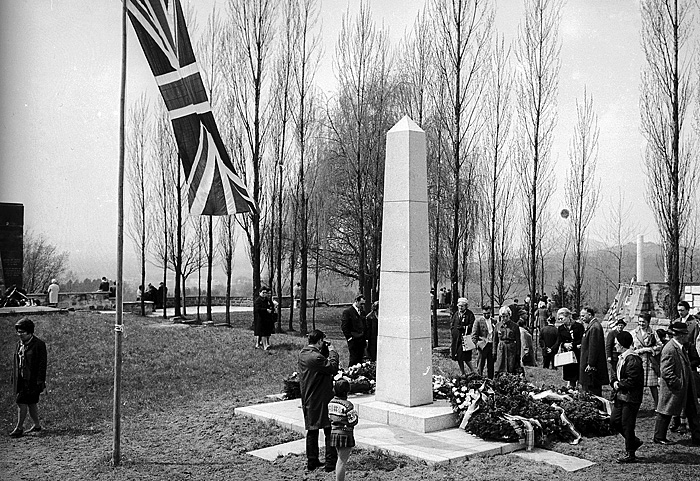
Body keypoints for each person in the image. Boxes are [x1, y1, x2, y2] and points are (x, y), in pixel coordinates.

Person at [653, 321, 700, 445]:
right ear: (679, 335)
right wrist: (678, 383)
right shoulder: (670, 349)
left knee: (693, 410)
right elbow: (666, 372)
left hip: (686, 385)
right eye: (685, 334)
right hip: (673, 388)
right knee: (665, 411)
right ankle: (659, 436)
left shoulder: (680, 347)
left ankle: (697, 437)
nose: (687, 336)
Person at [299, 329, 339, 472]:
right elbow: (332, 368)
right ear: (320, 341)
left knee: (312, 430)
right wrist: (333, 352)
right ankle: (330, 463)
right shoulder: (316, 358)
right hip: (321, 398)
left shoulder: (304, 354)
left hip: (309, 397)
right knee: (329, 429)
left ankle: (312, 461)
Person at [609, 330, 644, 463]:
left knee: (627, 425)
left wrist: (618, 384)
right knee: (614, 421)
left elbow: (632, 380)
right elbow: (615, 375)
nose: (615, 346)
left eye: (617, 343)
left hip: (630, 398)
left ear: (623, 345)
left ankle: (630, 453)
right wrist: (614, 382)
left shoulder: (632, 359)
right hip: (621, 396)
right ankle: (633, 441)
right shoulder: (623, 358)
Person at [10, 318, 47, 438]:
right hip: (21, 378)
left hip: (32, 380)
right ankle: (37, 426)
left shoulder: (39, 345)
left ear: (30, 332)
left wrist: (40, 381)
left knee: (21, 402)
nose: (19, 334)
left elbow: (42, 365)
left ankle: (19, 428)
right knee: (31, 404)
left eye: (22, 332)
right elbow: (17, 362)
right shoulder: (19, 344)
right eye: (18, 332)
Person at [669, 301, 700, 433]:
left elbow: (693, 340)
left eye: (682, 310)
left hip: (688, 353)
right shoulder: (676, 321)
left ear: (687, 310)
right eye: (678, 310)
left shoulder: (693, 324)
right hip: (676, 355)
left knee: (689, 393)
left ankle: (686, 422)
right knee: (676, 392)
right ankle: (676, 420)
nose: (680, 312)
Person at [328, 378, 358, 481]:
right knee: (342, 461)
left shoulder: (331, 403)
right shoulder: (348, 405)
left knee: (339, 458)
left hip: (334, 433)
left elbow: (329, 417)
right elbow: (353, 421)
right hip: (345, 434)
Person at [632, 312, 662, 407]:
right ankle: (636, 405)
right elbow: (630, 348)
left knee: (653, 385)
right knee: (637, 385)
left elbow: (660, 345)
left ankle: (658, 406)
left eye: (643, 322)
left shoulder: (653, 333)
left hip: (650, 362)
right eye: (639, 322)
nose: (641, 324)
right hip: (638, 361)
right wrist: (641, 350)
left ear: (648, 322)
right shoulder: (633, 333)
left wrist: (651, 349)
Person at [579, 306, 609, 396]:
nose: (582, 318)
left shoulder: (595, 327)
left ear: (590, 315)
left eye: (583, 316)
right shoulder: (591, 326)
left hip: (591, 367)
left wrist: (591, 363)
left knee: (592, 390)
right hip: (587, 363)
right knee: (587, 388)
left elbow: (594, 347)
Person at [557, 307, 583, 389]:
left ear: (568, 316)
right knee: (570, 375)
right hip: (567, 355)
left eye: (561, 318)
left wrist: (574, 345)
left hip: (577, 353)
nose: (560, 321)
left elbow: (581, 338)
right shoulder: (561, 328)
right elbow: (559, 340)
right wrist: (564, 344)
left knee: (578, 373)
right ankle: (571, 387)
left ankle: (579, 388)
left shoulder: (578, 326)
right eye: (559, 319)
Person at [494, 305, 523, 375]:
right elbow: (495, 340)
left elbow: (518, 341)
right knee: (500, 366)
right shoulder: (497, 326)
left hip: (511, 348)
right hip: (501, 348)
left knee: (511, 366)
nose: (505, 318)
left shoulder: (515, 326)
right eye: (503, 316)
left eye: (507, 316)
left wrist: (518, 353)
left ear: (510, 315)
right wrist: (494, 351)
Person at [450, 298, 476, 375]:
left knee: (465, 357)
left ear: (466, 306)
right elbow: (453, 324)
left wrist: (464, 327)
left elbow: (472, 325)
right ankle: (463, 372)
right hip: (456, 339)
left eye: (462, 306)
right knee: (458, 356)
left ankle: (473, 371)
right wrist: (453, 331)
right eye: (459, 306)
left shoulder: (469, 314)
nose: (460, 308)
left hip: (465, 339)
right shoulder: (456, 314)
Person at [342, 295, 366, 368]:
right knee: (353, 360)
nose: (362, 306)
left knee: (360, 360)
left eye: (363, 304)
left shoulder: (362, 312)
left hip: (361, 340)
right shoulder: (348, 312)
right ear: (356, 301)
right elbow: (344, 326)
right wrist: (349, 338)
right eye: (361, 304)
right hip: (353, 340)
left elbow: (364, 325)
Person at [472, 305, 495, 378]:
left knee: (491, 365)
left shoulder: (494, 321)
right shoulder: (478, 321)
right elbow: (474, 335)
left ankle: (490, 380)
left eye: (488, 313)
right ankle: (479, 379)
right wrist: (477, 345)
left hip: (491, 345)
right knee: (480, 365)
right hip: (482, 346)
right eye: (484, 313)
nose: (486, 315)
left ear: (490, 312)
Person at [606, 316, 627, 381]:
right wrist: (609, 356)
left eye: (622, 325)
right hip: (614, 355)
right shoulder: (612, 333)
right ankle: (613, 384)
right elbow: (608, 345)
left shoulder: (624, 334)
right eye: (619, 325)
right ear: (617, 326)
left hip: (622, 355)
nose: (620, 327)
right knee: (613, 371)